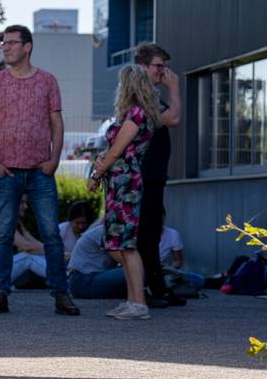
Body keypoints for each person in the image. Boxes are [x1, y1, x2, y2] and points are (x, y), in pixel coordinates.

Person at [0, 24, 80, 316]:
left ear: (27, 47)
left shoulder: (47, 81)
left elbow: (57, 124)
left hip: (40, 171)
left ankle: (61, 294)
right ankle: (0, 292)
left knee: (50, 233)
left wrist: (54, 160)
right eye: (3, 43)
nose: (5, 47)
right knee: (3, 233)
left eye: (11, 43)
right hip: (7, 171)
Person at [88, 64, 161, 320]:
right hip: (120, 182)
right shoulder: (136, 114)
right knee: (119, 243)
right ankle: (132, 300)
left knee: (126, 245)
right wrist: (101, 166)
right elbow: (113, 152)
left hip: (126, 184)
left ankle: (138, 303)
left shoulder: (137, 115)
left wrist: (96, 174)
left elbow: (117, 150)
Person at [133, 43, 184, 308]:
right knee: (145, 234)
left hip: (153, 175)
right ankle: (148, 290)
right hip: (143, 176)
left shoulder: (150, 95)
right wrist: (174, 88)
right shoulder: (141, 97)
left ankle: (157, 287)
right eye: (158, 66)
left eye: (164, 67)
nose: (163, 72)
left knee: (151, 233)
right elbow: (173, 118)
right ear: (142, 66)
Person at [67, 221, 127, 300]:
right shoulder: (108, 230)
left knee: (136, 272)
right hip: (83, 281)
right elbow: (124, 261)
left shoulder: (117, 229)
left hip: (90, 278)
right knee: (138, 271)